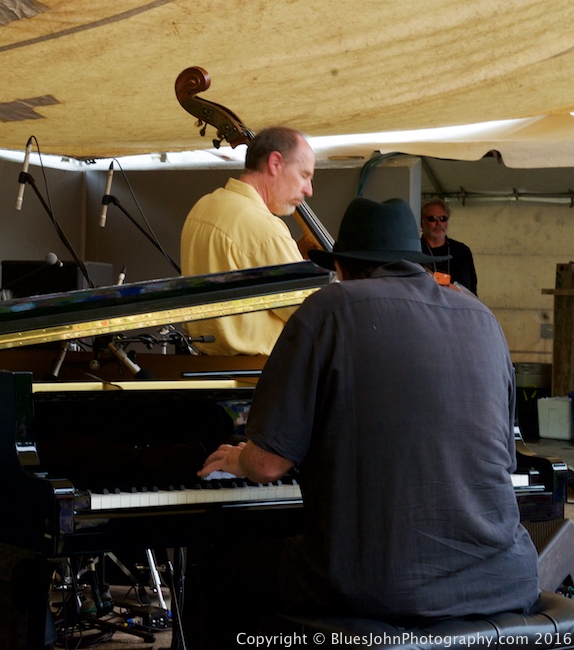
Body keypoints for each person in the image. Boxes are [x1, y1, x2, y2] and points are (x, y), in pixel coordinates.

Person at [190, 197, 539, 648]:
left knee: (217, 563)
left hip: (377, 586)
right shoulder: (481, 316)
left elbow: (268, 466)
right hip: (505, 579)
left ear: (343, 266)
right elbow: (501, 456)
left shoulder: (329, 308)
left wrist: (240, 460)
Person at [180, 126, 318, 355]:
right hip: (255, 376)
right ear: (275, 163)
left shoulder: (202, 207)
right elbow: (309, 313)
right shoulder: (262, 226)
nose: (309, 190)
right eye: (304, 175)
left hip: (206, 367)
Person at [420, 197, 478, 294]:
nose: (439, 224)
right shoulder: (415, 250)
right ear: (422, 223)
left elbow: (472, 289)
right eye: (432, 219)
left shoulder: (462, 251)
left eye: (443, 219)